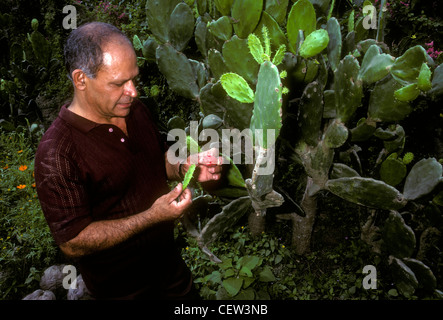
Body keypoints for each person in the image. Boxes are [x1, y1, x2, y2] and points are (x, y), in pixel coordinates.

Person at [34, 21, 222, 300]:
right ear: (81, 79)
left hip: (172, 276)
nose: (133, 91)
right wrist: (151, 217)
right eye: (119, 83)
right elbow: (72, 241)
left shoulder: (134, 110)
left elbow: (156, 161)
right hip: (121, 292)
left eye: (134, 78)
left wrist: (187, 167)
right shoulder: (57, 153)